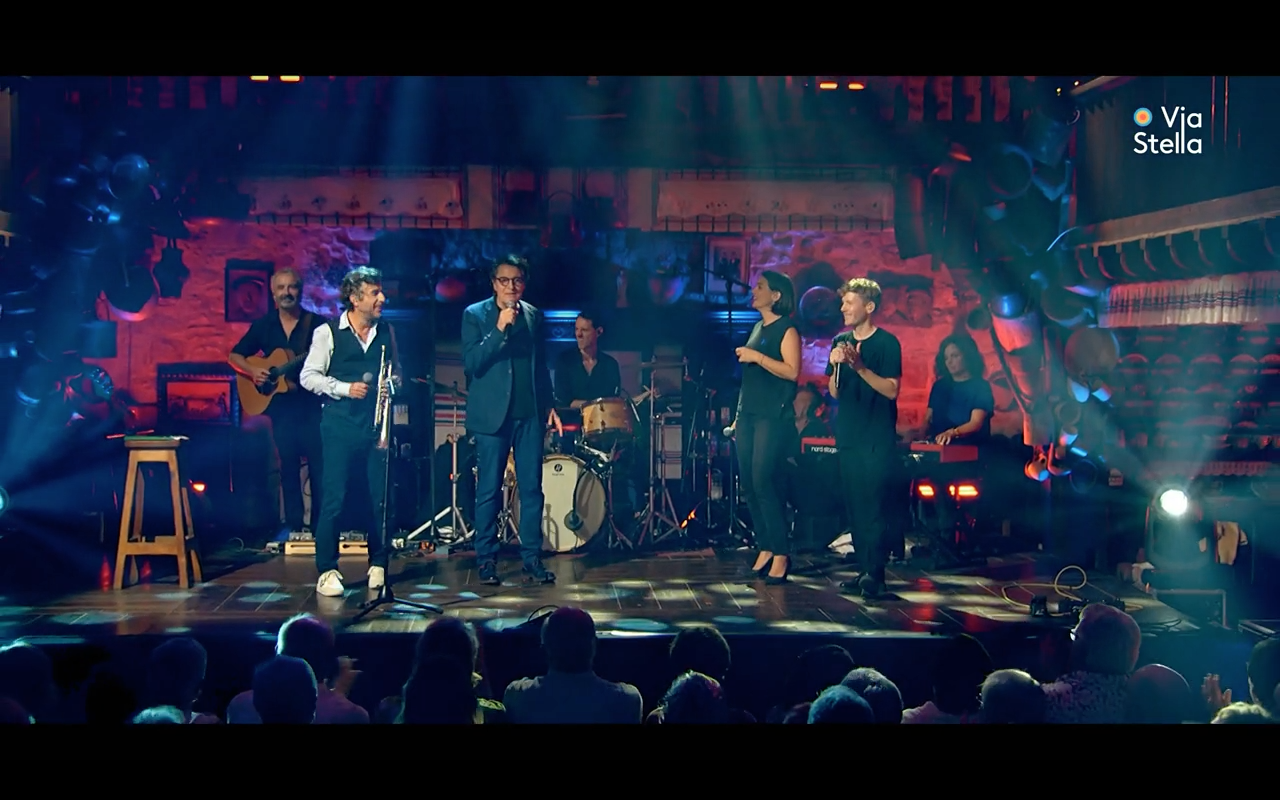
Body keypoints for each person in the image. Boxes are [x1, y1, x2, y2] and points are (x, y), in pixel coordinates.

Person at [300, 267, 400, 598]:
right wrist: (344, 388)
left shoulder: (386, 331)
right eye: (374, 293)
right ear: (355, 299)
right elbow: (308, 376)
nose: (382, 298)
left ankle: (379, 562)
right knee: (335, 497)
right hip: (340, 424)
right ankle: (327, 569)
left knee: (379, 497)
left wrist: (393, 383)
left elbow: (396, 371)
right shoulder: (328, 332)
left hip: (375, 426)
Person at [460, 255, 560, 586]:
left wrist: (549, 405)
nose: (511, 287)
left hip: (529, 414)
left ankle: (531, 557)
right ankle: (486, 560)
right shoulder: (475, 315)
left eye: (517, 280)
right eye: (504, 280)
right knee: (489, 489)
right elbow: (473, 363)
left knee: (532, 489)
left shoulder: (533, 315)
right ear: (494, 284)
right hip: (492, 417)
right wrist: (499, 328)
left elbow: (540, 365)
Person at [228, 268, 328, 535]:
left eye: (292, 287)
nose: (287, 293)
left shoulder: (318, 325)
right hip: (281, 411)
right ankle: (295, 527)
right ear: (273, 294)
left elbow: (332, 357)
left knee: (319, 468)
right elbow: (234, 356)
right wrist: (253, 371)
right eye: (281, 288)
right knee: (288, 467)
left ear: (300, 290)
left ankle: (320, 528)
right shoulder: (264, 325)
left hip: (311, 408)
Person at [826, 277, 902, 599]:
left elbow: (891, 390)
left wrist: (859, 367)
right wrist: (835, 365)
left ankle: (877, 574)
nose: (843, 307)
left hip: (876, 435)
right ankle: (864, 568)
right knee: (855, 504)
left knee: (872, 505)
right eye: (843, 302)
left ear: (868, 306)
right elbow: (834, 392)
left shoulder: (887, 343)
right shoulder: (840, 340)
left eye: (849, 302)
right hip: (848, 434)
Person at [729, 271, 800, 585]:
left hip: (771, 416)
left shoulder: (787, 329)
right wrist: (737, 415)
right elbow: (749, 381)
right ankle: (766, 546)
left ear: (776, 295)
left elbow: (792, 371)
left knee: (763, 481)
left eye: (760, 287)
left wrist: (757, 356)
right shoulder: (758, 327)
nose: (754, 290)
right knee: (748, 483)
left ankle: (781, 552)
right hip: (748, 415)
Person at [925, 334, 994, 446]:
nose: (949, 362)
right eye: (946, 358)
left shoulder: (981, 387)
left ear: (968, 356)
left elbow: (976, 423)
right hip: (940, 446)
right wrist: (916, 435)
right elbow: (928, 419)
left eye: (955, 356)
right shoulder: (939, 386)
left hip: (971, 447)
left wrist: (952, 433)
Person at [554, 309, 622, 409]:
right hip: (572, 418)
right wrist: (594, 405)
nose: (578, 334)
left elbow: (612, 401)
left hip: (602, 418)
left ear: (598, 332)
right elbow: (563, 401)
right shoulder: (565, 361)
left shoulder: (610, 364)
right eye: (576, 329)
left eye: (584, 330)